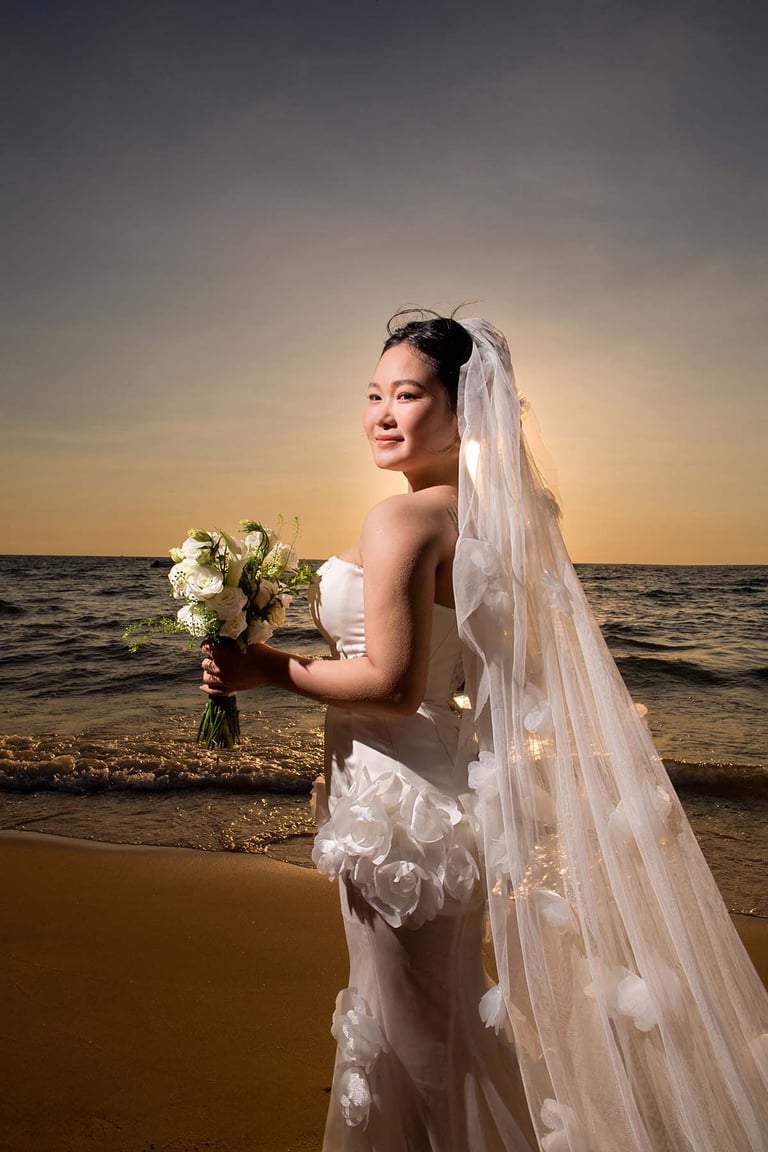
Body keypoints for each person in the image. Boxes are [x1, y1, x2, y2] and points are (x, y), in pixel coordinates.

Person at [201, 313, 768, 1151]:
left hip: (397, 812)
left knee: (422, 1043)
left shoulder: (402, 522)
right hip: (438, 793)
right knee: (424, 1022)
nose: (383, 414)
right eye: (373, 394)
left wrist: (265, 669)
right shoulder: (477, 520)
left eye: (410, 395)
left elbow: (391, 686)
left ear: (464, 412)